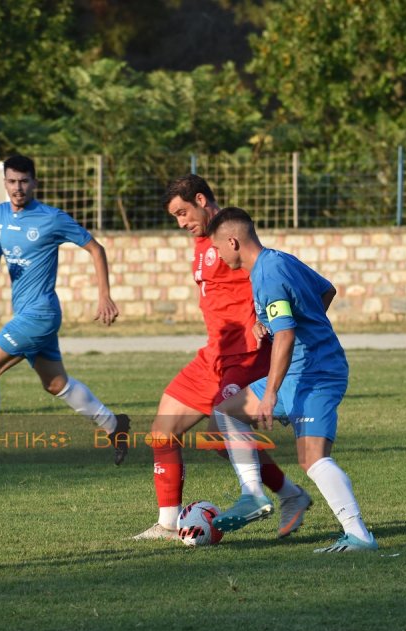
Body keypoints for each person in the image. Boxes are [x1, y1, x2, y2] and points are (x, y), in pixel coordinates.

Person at [132, 175, 311, 541]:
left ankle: (288, 495)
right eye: (175, 217)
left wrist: (263, 318)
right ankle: (167, 524)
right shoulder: (202, 243)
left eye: (183, 212)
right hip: (212, 355)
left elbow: (266, 277)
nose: (181, 222)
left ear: (201, 199)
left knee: (218, 435)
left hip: (244, 356)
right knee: (161, 434)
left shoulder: (232, 239)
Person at [205, 207, 377, 553]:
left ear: (233, 242)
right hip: (300, 371)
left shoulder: (266, 275)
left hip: (315, 374)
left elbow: (285, 336)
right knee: (223, 413)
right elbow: (325, 291)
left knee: (312, 458)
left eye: (218, 249)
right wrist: (277, 324)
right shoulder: (279, 261)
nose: (219, 256)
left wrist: (269, 393)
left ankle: (359, 535)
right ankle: (252, 493)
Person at [0, 155, 130, 467]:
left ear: (34, 182)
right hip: (25, 313)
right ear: (4, 183)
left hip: (40, 314)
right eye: (11, 181)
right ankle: (115, 426)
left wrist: (104, 296)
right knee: (55, 384)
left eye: (23, 181)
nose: (17, 188)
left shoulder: (52, 218)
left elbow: (95, 249)